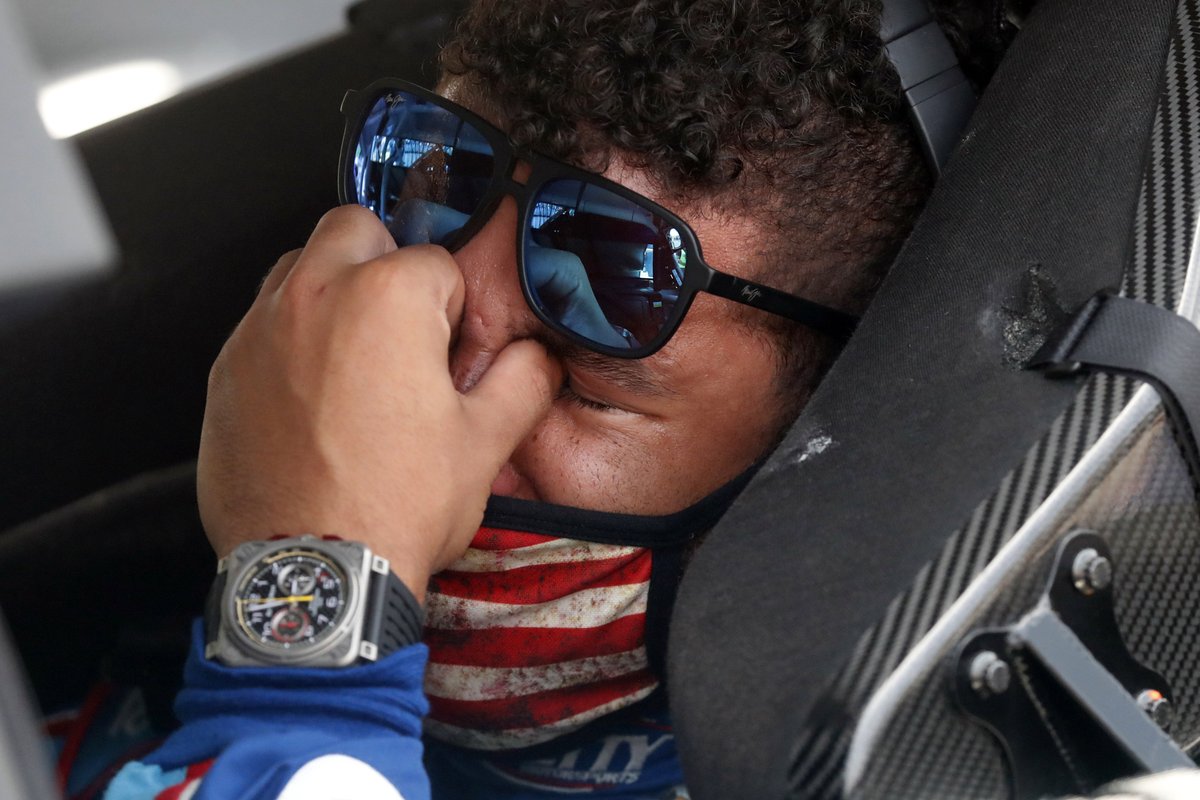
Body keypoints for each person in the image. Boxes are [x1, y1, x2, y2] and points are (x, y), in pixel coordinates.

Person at [97, 0, 1009, 797]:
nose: (411, 418)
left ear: (816, 447)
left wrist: (304, 632)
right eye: (425, 308)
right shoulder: (101, 620)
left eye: (574, 382)